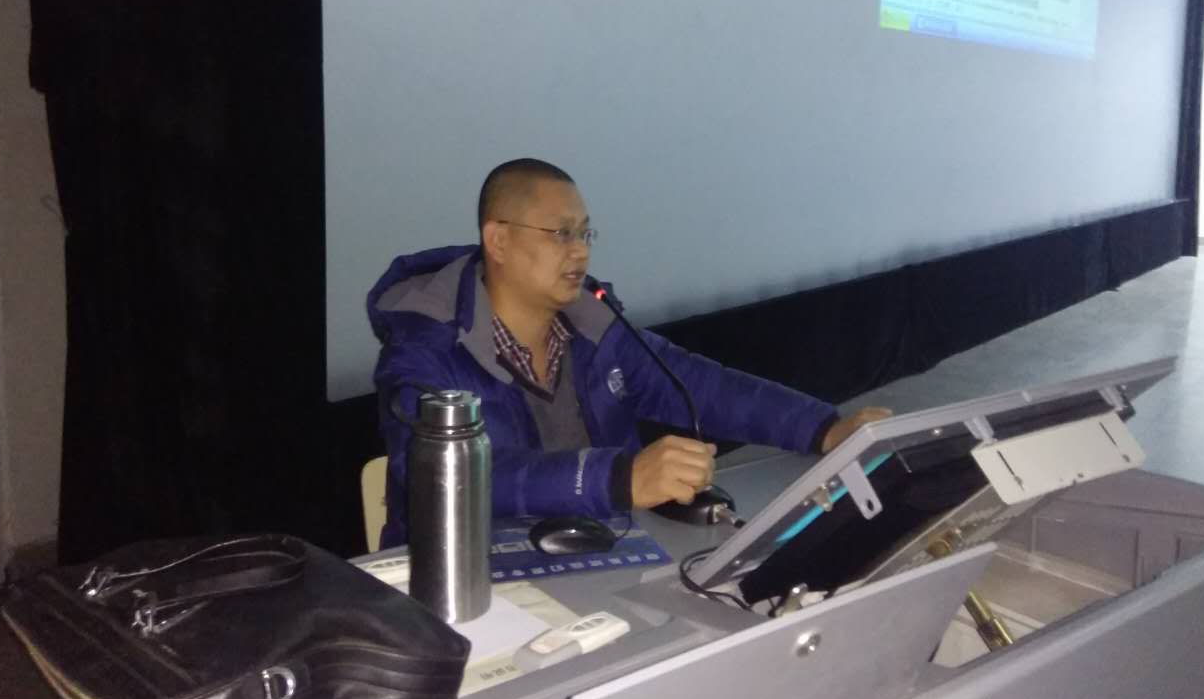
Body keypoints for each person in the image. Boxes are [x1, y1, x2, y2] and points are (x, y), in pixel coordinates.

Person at [367, 158, 890, 546]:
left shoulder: (595, 330)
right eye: (561, 234)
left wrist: (824, 428)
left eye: (585, 233)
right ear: (498, 241)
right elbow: (453, 480)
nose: (581, 250)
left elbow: (703, 386)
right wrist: (620, 478)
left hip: (600, 561)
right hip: (471, 585)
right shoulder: (424, 353)